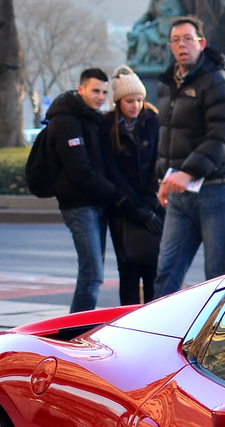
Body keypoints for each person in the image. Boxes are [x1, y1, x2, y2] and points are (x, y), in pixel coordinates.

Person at [47, 68, 156, 313]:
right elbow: (81, 171)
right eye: (95, 90)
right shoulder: (68, 121)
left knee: (94, 271)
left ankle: (76, 329)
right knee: (93, 273)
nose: (99, 96)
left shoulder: (93, 118)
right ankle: (72, 332)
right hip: (80, 205)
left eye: (104, 92)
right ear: (81, 90)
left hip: (99, 204)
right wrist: (118, 196)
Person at [153, 16, 225, 296]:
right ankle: (160, 336)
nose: (182, 45)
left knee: (220, 276)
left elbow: (222, 137)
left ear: (201, 44)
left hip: (215, 188)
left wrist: (187, 172)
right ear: (170, 46)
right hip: (179, 193)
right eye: (176, 40)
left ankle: (224, 337)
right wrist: (164, 179)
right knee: (166, 273)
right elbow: (168, 138)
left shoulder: (216, 80)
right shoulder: (167, 84)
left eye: (188, 39)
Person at [103, 66, 163, 305]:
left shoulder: (152, 120)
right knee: (127, 271)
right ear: (119, 101)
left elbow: (158, 162)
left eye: (139, 100)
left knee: (153, 269)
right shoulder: (108, 126)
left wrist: (149, 204)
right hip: (123, 210)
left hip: (153, 206)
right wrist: (134, 208)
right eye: (130, 100)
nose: (135, 105)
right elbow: (111, 170)